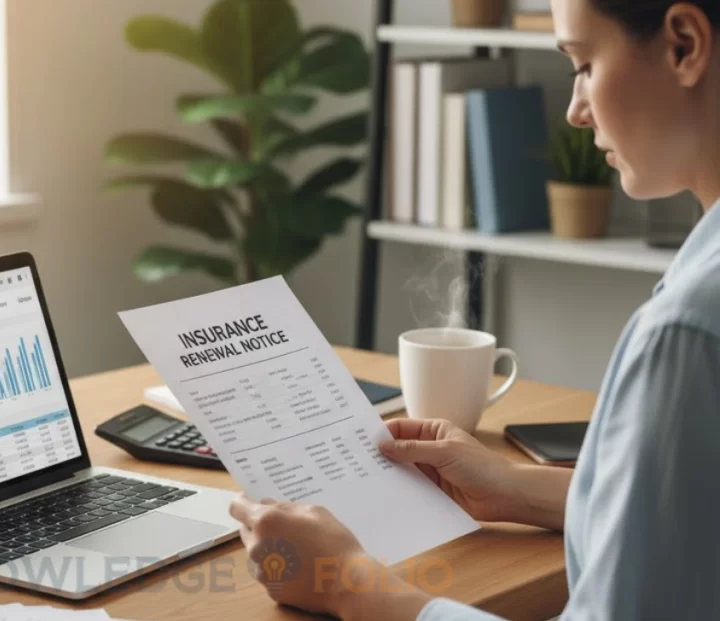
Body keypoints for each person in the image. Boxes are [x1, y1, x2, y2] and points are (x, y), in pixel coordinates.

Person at [229, 0, 720, 619]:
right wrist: (516, 488)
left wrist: (345, 581)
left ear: (683, 44)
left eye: (585, 63)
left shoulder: (688, 331)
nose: (575, 109)